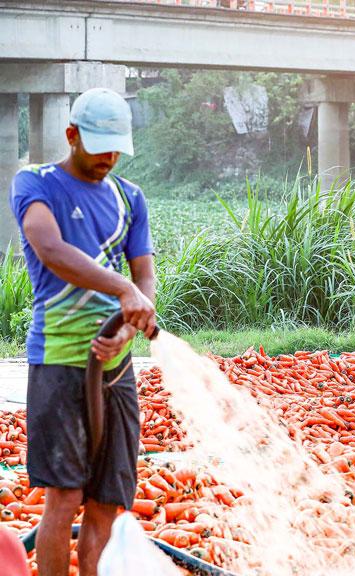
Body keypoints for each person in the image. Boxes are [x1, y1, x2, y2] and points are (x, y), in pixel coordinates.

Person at [9, 88, 156, 576]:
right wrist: (122, 291)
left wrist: (128, 330)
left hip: (115, 369)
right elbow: (49, 248)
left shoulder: (130, 198)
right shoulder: (36, 183)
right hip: (59, 362)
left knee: (106, 502)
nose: (108, 159)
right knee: (65, 495)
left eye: (116, 149)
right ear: (71, 136)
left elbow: (144, 277)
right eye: (99, 148)